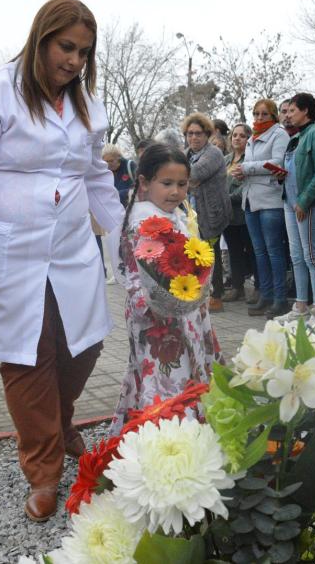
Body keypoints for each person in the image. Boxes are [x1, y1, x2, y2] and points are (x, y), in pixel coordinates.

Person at [0, 0, 124, 522]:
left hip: (70, 248)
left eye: (84, 52)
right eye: (66, 47)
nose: (74, 61)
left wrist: (124, 237)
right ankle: (43, 470)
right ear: (40, 39)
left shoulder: (88, 105)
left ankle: (60, 418)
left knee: (84, 343)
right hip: (10, 252)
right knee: (27, 356)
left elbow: (95, 176)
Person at [109, 142, 224, 435]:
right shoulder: (143, 222)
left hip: (185, 309)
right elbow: (138, 274)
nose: (175, 191)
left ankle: (194, 430)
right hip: (154, 314)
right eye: (167, 183)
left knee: (190, 366)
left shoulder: (178, 217)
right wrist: (166, 298)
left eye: (182, 184)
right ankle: (167, 434)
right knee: (164, 372)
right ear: (145, 183)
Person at [231, 98, 291, 318]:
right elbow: (253, 167)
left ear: (273, 115)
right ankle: (265, 294)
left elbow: (277, 163)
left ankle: (280, 299)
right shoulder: (253, 137)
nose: (259, 117)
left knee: (274, 251)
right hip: (250, 200)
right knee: (259, 252)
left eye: (264, 114)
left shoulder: (279, 134)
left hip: (270, 200)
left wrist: (245, 167)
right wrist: (240, 173)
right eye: (256, 113)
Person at [274, 92, 315, 323]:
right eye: (286, 111)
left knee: (311, 255)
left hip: (306, 205)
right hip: (289, 202)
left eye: (292, 110)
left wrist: (304, 201)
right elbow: (294, 170)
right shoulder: (295, 138)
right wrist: (280, 176)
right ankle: (301, 305)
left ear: (305, 111)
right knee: (296, 256)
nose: (288, 115)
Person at [183, 112, 231, 312]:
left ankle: (216, 295)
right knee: (196, 252)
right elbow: (186, 178)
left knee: (211, 254)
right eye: (190, 133)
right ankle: (201, 291)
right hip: (192, 210)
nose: (194, 137)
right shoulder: (187, 154)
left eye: (198, 134)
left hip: (212, 211)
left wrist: (188, 179)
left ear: (207, 134)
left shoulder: (213, 153)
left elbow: (193, 174)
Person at [222, 123, 257, 302]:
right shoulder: (226, 159)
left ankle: (258, 287)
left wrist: (227, 198)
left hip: (245, 212)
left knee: (251, 250)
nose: (237, 138)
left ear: (248, 139)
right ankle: (237, 287)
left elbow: (247, 186)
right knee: (234, 251)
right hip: (228, 216)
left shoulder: (250, 159)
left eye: (242, 136)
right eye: (234, 135)